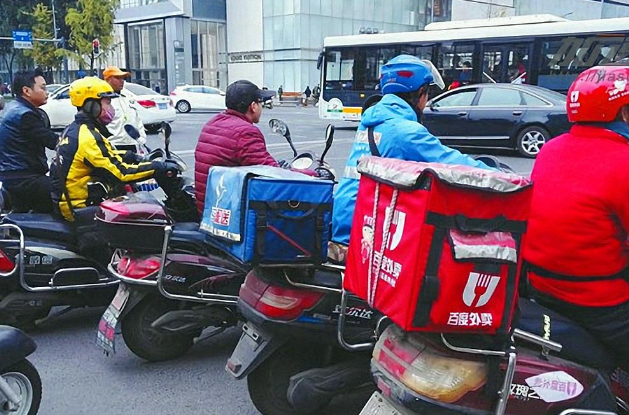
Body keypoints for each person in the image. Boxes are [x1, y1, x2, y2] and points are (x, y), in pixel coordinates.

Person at [329, 55, 492, 262]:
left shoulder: (371, 121)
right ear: (420, 93)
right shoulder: (405, 131)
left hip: (346, 217)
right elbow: (450, 161)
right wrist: (497, 174)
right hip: (366, 227)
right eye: (427, 93)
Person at [523, 62, 629, 368]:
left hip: (542, 289)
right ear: (623, 113)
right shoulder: (623, 161)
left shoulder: (551, 149)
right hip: (601, 305)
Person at [50, 77, 177, 257]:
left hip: (73, 200)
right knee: (140, 219)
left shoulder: (78, 129)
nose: (111, 108)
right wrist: (158, 167)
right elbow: (121, 173)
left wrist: (131, 156)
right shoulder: (87, 136)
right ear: (91, 105)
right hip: (81, 207)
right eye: (107, 102)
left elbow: (106, 157)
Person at [194, 80, 278, 215]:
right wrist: (310, 174)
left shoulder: (213, 123)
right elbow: (272, 173)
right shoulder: (245, 132)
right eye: (260, 103)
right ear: (253, 106)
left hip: (207, 208)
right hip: (229, 215)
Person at [0, 68, 59, 213]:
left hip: (14, 175)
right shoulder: (25, 115)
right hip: (24, 178)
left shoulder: (14, 107)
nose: (47, 92)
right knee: (68, 193)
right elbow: (52, 141)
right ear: (27, 91)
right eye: (43, 88)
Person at [102, 66, 147, 152]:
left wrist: (142, 138)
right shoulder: (103, 99)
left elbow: (137, 119)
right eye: (117, 78)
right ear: (107, 80)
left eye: (123, 78)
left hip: (132, 144)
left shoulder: (127, 96)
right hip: (114, 145)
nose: (121, 81)